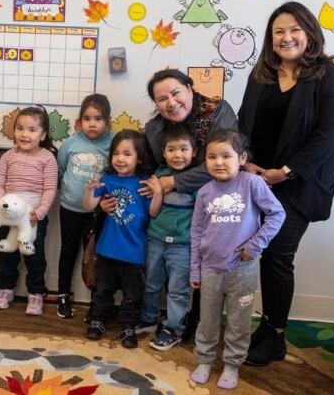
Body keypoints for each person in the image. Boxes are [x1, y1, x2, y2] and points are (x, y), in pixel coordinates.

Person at [238, 1, 334, 366]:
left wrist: (286, 171)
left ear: (309, 33)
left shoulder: (326, 76)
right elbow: (243, 123)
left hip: (298, 184)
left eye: (294, 30)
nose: (286, 37)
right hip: (258, 181)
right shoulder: (261, 75)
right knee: (261, 256)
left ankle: (277, 336)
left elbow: (327, 135)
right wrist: (244, 160)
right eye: (278, 32)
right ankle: (266, 328)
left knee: (278, 257)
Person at [102, 68, 238, 338]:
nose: (171, 102)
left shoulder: (216, 111)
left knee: (202, 273)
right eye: (161, 99)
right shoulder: (154, 129)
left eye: (176, 93)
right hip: (164, 224)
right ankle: (156, 319)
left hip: (216, 204)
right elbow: (150, 174)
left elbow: (222, 161)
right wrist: (112, 199)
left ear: (189, 88)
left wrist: (173, 182)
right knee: (155, 279)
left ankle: (194, 327)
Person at [189, 128, 285, 389]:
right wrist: (194, 271)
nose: (218, 162)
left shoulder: (252, 184)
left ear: (241, 158)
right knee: (207, 319)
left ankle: (232, 365)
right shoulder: (205, 192)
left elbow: (277, 214)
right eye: (212, 157)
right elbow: (197, 232)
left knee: (239, 321)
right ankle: (205, 360)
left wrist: (255, 245)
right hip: (210, 269)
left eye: (226, 156)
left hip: (242, 269)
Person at [83, 130, 162, 349]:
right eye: (116, 153)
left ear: (140, 157)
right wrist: (90, 192)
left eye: (127, 153)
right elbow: (88, 206)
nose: (120, 158)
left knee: (132, 294)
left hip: (134, 251)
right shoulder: (106, 180)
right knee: (102, 289)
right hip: (107, 248)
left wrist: (157, 194)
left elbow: (153, 213)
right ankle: (98, 321)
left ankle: (128, 326)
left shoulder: (144, 183)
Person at [0, 106, 58, 316]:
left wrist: (39, 213)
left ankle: (36, 293)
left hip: (33, 217)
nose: (24, 134)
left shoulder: (47, 158)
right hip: (9, 215)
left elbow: (49, 189)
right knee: (7, 253)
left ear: (43, 134)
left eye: (31, 129)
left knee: (34, 256)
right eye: (20, 128)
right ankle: (5, 289)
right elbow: (0, 185)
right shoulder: (7, 157)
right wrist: (1, 208)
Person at [139, 125, 197, 351]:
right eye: (171, 150)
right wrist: (158, 192)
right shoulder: (159, 176)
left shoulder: (195, 180)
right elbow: (152, 211)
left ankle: (174, 328)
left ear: (193, 152)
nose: (178, 155)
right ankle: (148, 318)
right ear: (163, 153)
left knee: (177, 290)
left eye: (183, 149)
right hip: (155, 240)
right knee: (151, 282)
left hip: (183, 246)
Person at [55, 94, 114, 319]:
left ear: (107, 121)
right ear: (79, 121)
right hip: (69, 209)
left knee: (95, 257)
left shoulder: (113, 143)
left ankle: (96, 302)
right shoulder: (71, 143)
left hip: (98, 213)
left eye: (98, 118)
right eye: (87, 118)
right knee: (68, 252)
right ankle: (63, 295)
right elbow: (61, 171)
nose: (92, 123)